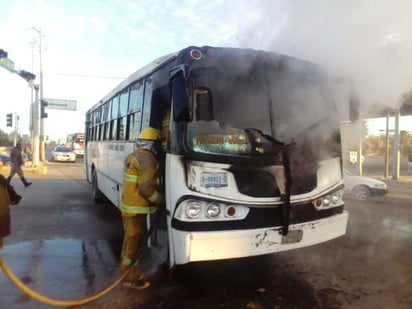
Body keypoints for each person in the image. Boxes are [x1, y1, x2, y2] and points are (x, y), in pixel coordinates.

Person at [120, 127, 163, 289]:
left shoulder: (133, 155)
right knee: (134, 244)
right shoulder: (148, 160)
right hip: (137, 208)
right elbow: (146, 188)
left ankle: (128, 274)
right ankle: (129, 279)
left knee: (130, 242)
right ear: (153, 144)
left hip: (129, 207)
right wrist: (160, 200)